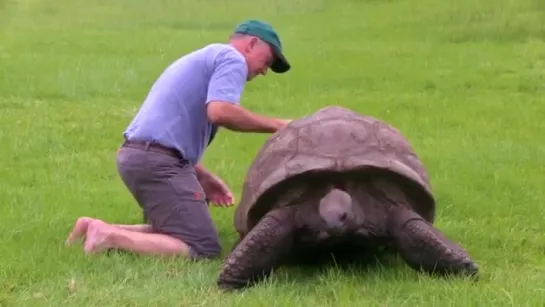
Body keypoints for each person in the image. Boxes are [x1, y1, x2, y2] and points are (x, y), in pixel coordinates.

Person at [65, 19, 292, 260]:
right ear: (252, 43)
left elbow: (166, 129)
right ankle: (107, 237)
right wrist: (280, 126)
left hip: (137, 155)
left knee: (175, 231)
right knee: (203, 247)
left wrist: (201, 174)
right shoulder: (231, 59)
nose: (264, 70)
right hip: (155, 162)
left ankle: (93, 227)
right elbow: (220, 111)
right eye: (267, 61)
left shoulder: (204, 57)